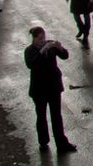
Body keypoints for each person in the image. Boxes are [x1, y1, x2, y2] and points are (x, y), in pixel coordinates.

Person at [24, 26, 78, 154]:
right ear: (34, 38)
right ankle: (43, 142)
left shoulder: (50, 45)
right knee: (41, 116)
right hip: (39, 89)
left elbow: (65, 56)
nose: (43, 40)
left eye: (44, 37)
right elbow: (32, 65)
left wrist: (60, 48)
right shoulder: (29, 50)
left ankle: (62, 143)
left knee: (56, 116)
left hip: (53, 87)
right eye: (40, 38)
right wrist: (42, 51)